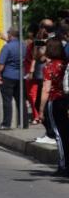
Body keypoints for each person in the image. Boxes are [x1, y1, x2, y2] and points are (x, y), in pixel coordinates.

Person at [38, 37, 68, 176]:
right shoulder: (65, 64)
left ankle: (63, 166)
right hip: (66, 99)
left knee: (59, 134)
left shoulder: (49, 67)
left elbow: (46, 89)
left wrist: (41, 110)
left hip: (55, 100)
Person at [0, 27, 28, 129]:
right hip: (21, 76)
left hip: (8, 77)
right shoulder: (24, 46)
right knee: (21, 101)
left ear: (10, 35)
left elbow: (1, 64)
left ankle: (6, 124)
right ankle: (24, 123)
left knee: (7, 101)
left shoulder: (7, 47)